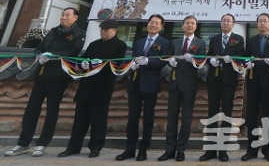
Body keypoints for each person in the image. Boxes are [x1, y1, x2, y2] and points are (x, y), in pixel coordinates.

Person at [5, 7, 85, 158]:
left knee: (51, 111)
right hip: (42, 74)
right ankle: (23, 143)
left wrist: (53, 56)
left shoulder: (79, 34)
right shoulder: (53, 31)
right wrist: (40, 55)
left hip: (59, 77)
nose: (63, 17)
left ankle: (42, 144)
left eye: (67, 15)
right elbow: (39, 48)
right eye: (62, 14)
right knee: (31, 109)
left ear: (75, 18)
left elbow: (73, 52)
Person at [57, 19, 127, 158]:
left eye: (106, 29)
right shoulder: (94, 44)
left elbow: (117, 65)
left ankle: (95, 147)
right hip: (86, 86)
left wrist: (100, 64)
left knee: (98, 121)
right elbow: (83, 58)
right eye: (102, 29)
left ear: (114, 30)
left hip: (102, 87)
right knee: (79, 120)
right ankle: (73, 147)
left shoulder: (120, 46)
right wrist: (83, 63)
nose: (103, 31)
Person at [116, 14, 170, 162]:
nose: (153, 25)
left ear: (161, 26)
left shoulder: (164, 43)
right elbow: (133, 58)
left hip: (151, 84)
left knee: (148, 118)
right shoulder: (138, 42)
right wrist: (132, 65)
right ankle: (130, 148)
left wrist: (147, 62)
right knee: (132, 118)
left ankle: (143, 149)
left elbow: (162, 63)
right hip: (134, 83)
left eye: (156, 23)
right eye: (151, 22)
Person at [158, 15, 206, 162]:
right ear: (182, 26)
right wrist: (169, 64)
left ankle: (181, 149)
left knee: (186, 119)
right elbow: (166, 65)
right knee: (171, 118)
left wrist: (194, 63)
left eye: (192, 23)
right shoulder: (175, 42)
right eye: (187, 23)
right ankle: (169, 149)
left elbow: (203, 69)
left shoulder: (201, 43)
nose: (190, 25)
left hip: (190, 85)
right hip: (174, 84)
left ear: (196, 26)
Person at [200, 13, 246, 162]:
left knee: (226, 114)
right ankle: (210, 150)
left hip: (228, 81)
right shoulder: (214, 39)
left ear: (233, 24)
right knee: (212, 114)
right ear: (220, 23)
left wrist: (232, 60)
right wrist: (211, 60)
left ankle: (223, 150)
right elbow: (208, 56)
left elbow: (241, 58)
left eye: (229, 21)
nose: (226, 23)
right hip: (214, 80)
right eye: (224, 21)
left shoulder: (238, 39)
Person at [241, 13, 269, 162]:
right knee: (251, 117)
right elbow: (245, 59)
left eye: (265, 21)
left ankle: (268, 150)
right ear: (257, 24)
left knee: (268, 118)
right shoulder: (251, 41)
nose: (262, 24)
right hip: (253, 83)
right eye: (260, 21)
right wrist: (247, 63)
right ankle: (251, 150)